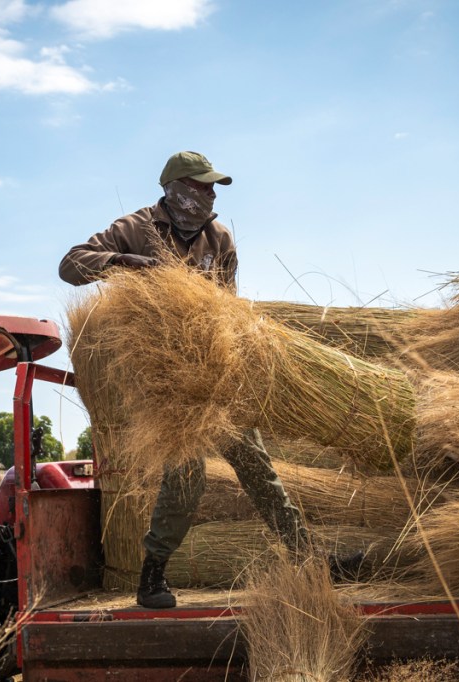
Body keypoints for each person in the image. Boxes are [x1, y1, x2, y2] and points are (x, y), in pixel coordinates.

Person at [59, 151, 357, 609]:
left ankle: (309, 560)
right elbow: (71, 264)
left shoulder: (219, 238)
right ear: (176, 188)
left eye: (213, 187)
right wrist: (130, 263)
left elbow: (228, 309)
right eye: (202, 186)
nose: (211, 194)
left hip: (215, 372)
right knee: (187, 476)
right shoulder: (137, 227)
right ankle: (151, 576)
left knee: (258, 468)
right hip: (167, 380)